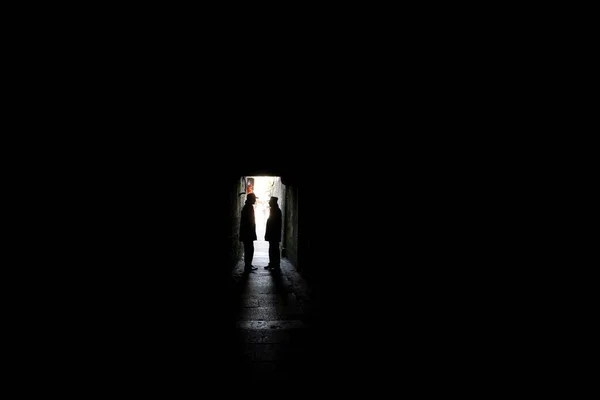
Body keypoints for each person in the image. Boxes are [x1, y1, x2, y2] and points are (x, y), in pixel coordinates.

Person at [239, 193, 258, 271]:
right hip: (248, 234)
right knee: (249, 249)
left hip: (247, 233)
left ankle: (248, 265)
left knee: (249, 249)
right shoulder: (248, 208)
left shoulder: (248, 207)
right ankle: (248, 265)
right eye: (254, 198)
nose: (255, 200)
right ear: (251, 199)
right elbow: (249, 222)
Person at [264, 196, 282, 270]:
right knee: (273, 249)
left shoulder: (276, 211)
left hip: (274, 235)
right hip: (273, 235)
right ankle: (273, 263)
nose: (269, 203)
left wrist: (268, 234)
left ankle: (275, 264)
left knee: (274, 249)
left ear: (274, 202)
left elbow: (273, 224)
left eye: (270, 201)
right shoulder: (274, 210)